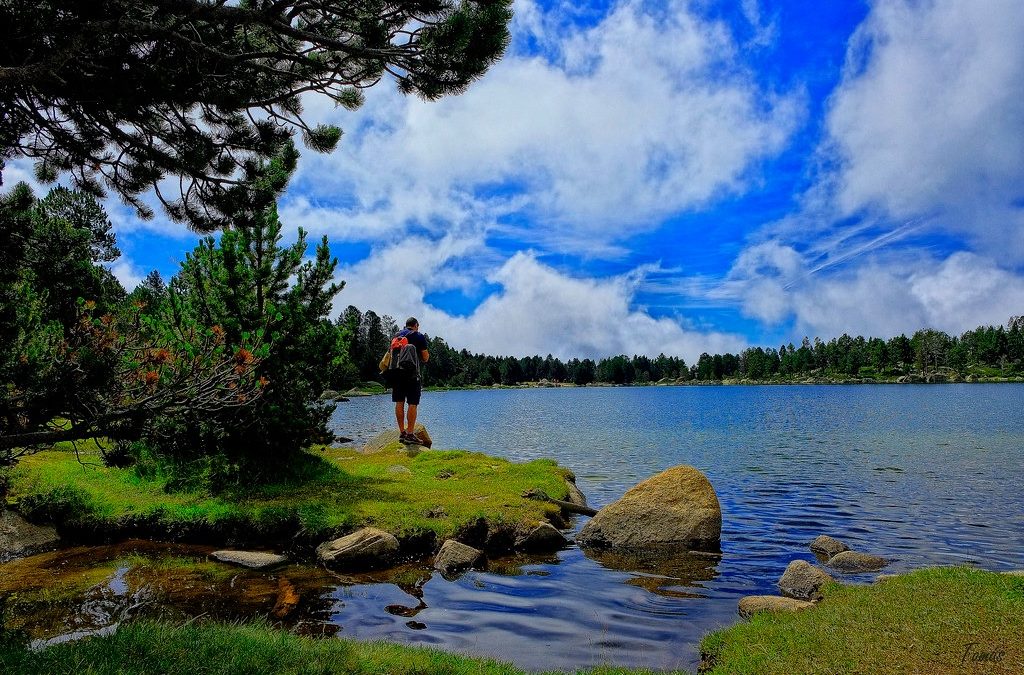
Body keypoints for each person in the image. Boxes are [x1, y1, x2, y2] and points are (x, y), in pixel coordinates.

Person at [391, 317, 429, 444]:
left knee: (399, 402)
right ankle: (410, 434)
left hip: (396, 374)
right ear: (416, 325)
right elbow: (425, 358)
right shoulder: (419, 336)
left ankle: (402, 432)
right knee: (413, 403)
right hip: (412, 375)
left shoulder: (396, 336)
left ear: (406, 325)